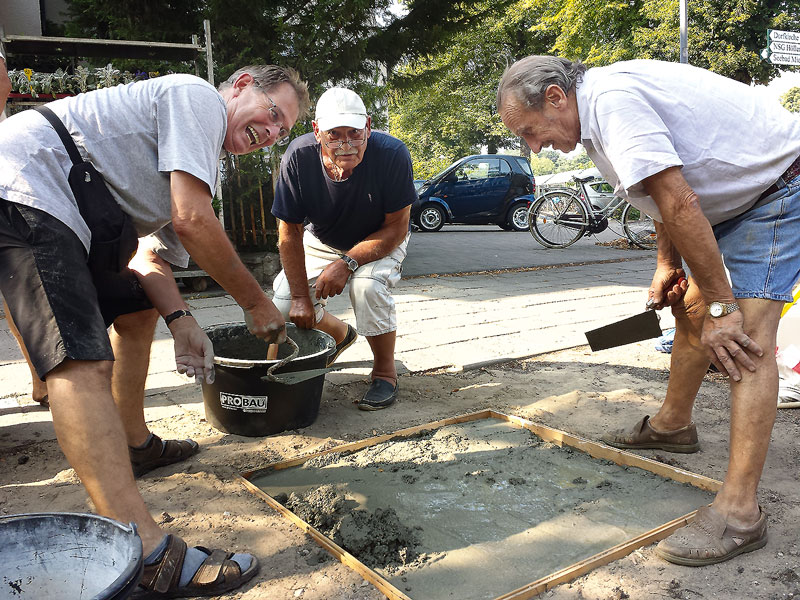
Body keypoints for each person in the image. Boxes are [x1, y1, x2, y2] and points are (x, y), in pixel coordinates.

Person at [0, 65, 310, 598]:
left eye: (282, 131)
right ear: (239, 85)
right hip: (30, 183)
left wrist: (182, 322)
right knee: (80, 359)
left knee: (138, 309)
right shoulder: (195, 99)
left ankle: (135, 444)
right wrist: (257, 304)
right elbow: (192, 219)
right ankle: (143, 553)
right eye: (273, 113)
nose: (273, 132)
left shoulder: (196, 156)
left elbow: (154, 261)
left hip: (78, 212)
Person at [497, 56, 800, 566]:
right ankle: (672, 426)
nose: (533, 146)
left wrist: (724, 305)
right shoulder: (590, 118)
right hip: (727, 202)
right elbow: (662, 192)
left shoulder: (613, 103)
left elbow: (679, 200)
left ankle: (741, 513)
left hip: (776, 191)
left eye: (530, 131)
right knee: (689, 310)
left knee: (744, 337)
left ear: (555, 96)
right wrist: (667, 264)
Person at [271, 87, 416, 410]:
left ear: (368, 126)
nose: (346, 145)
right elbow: (289, 231)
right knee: (283, 308)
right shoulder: (298, 156)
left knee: (367, 287)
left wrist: (348, 263)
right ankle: (340, 334)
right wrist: (299, 296)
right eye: (334, 135)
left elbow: (397, 227)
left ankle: (384, 372)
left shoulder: (392, 154)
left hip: (379, 238)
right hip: (321, 238)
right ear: (317, 132)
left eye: (354, 134)